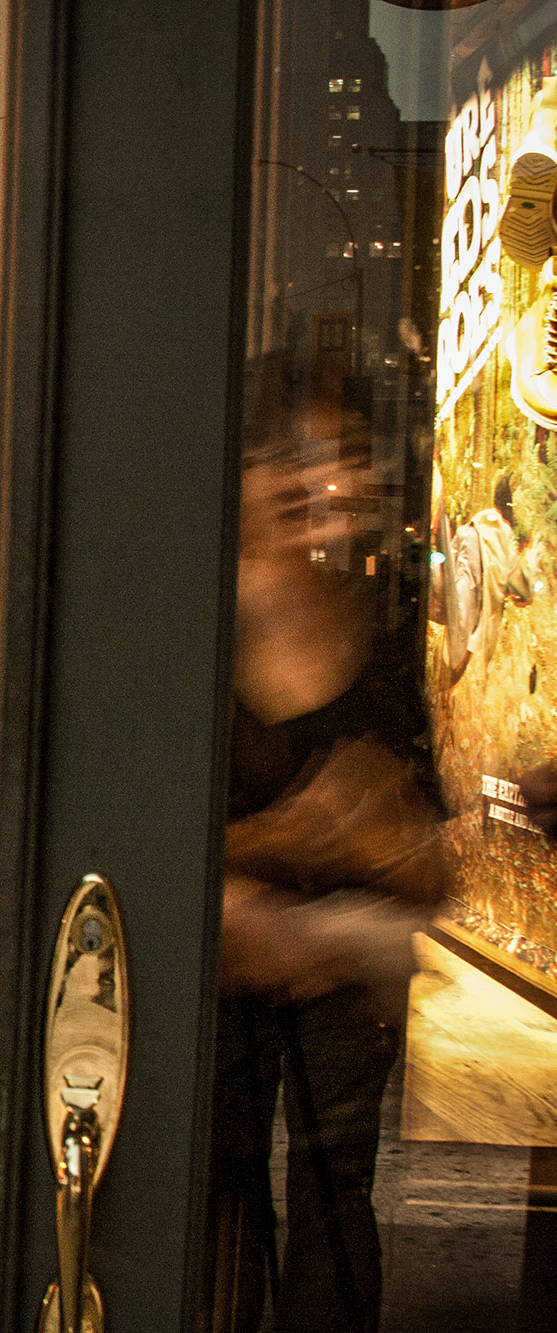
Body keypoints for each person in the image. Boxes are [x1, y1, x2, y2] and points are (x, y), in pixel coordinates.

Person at [205, 404, 448, 1333]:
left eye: (336, 460)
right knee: (222, 1178)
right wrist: (285, 840)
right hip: (228, 962)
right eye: (282, 459)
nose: (309, 483)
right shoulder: (201, 633)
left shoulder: (376, 633)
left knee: (337, 1186)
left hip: (346, 976)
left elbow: (426, 844)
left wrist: (377, 844)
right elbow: (149, 830)